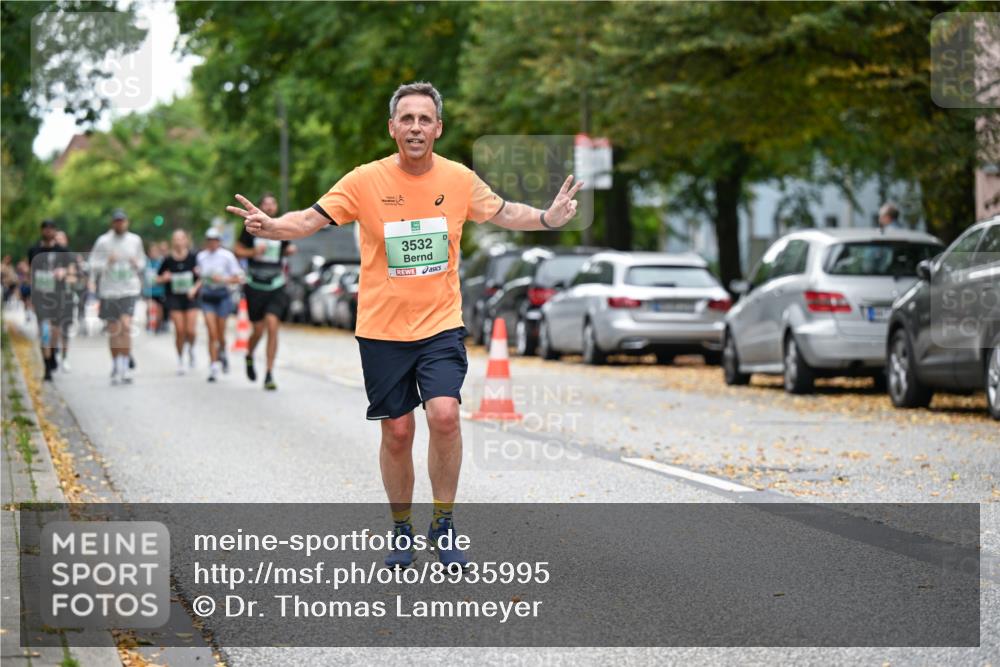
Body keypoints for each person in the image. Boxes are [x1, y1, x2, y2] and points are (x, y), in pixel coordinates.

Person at [227, 82, 582, 568]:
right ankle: (400, 528)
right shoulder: (364, 180)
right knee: (396, 431)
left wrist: (548, 216)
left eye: (425, 119)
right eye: (407, 119)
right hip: (381, 329)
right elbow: (309, 219)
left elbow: (504, 212)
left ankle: (444, 521)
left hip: (440, 325)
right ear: (393, 127)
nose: (416, 127)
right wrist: (273, 227)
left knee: (444, 415)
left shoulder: (458, 179)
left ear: (438, 128)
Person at [234, 192, 297, 390]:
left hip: (276, 284)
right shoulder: (251, 227)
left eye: (273, 203)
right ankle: (250, 354)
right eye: (266, 204)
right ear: (260, 206)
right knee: (258, 330)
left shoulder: (280, 227)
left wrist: (289, 250)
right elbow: (237, 250)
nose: (270, 207)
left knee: (272, 324)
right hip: (255, 285)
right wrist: (253, 252)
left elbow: (288, 246)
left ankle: (269, 373)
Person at [89, 209, 146, 385]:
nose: (120, 224)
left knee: (126, 326)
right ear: (112, 223)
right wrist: (107, 262)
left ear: (127, 222)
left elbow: (143, 262)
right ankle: (115, 363)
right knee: (114, 329)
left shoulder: (135, 240)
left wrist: (138, 264)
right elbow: (91, 264)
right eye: (117, 221)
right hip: (109, 291)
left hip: (129, 289)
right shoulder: (103, 241)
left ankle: (124, 366)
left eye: (123, 221)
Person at [194, 228, 243, 383]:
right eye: (209, 240)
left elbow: (238, 278)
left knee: (221, 334)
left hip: (222, 296)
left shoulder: (227, 256)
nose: (212, 243)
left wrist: (222, 279)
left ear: (219, 241)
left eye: (215, 240)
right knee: (211, 332)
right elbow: (201, 277)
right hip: (208, 295)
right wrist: (196, 285)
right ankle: (213, 366)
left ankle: (223, 352)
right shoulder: (201, 257)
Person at [26, 220, 70, 381]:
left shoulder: (62, 251)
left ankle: (52, 353)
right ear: (42, 230)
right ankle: (46, 366)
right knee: (44, 329)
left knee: (55, 331)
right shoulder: (34, 250)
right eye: (46, 229)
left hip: (57, 296)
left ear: (55, 231)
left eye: (52, 229)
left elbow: (70, 270)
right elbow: (31, 273)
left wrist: (63, 272)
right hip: (40, 296)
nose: (48, 232)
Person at [157, 229, 200, 375]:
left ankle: (192, 349)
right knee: (180, 331)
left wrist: (194, 288)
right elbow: (157, 279)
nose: (178, 241)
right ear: (172, 242)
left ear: (186, 240)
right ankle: (180, 359)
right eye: (175, 239)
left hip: (190, 297)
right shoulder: (168, 260)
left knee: (191, 331)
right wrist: (164, 278)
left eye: (181, 238)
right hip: (174, 298)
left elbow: (202, 276)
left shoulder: (194, 257)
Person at [144, 242, 167, 334]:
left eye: (155, 251)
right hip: (149, 290)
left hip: (160, 290)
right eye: (152, 251)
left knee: (159, 309)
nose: (153, 253)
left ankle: (158, 324)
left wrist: (160, 279)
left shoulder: (162, 262)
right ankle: (149, 322)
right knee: (149, 308)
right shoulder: (146, 263)